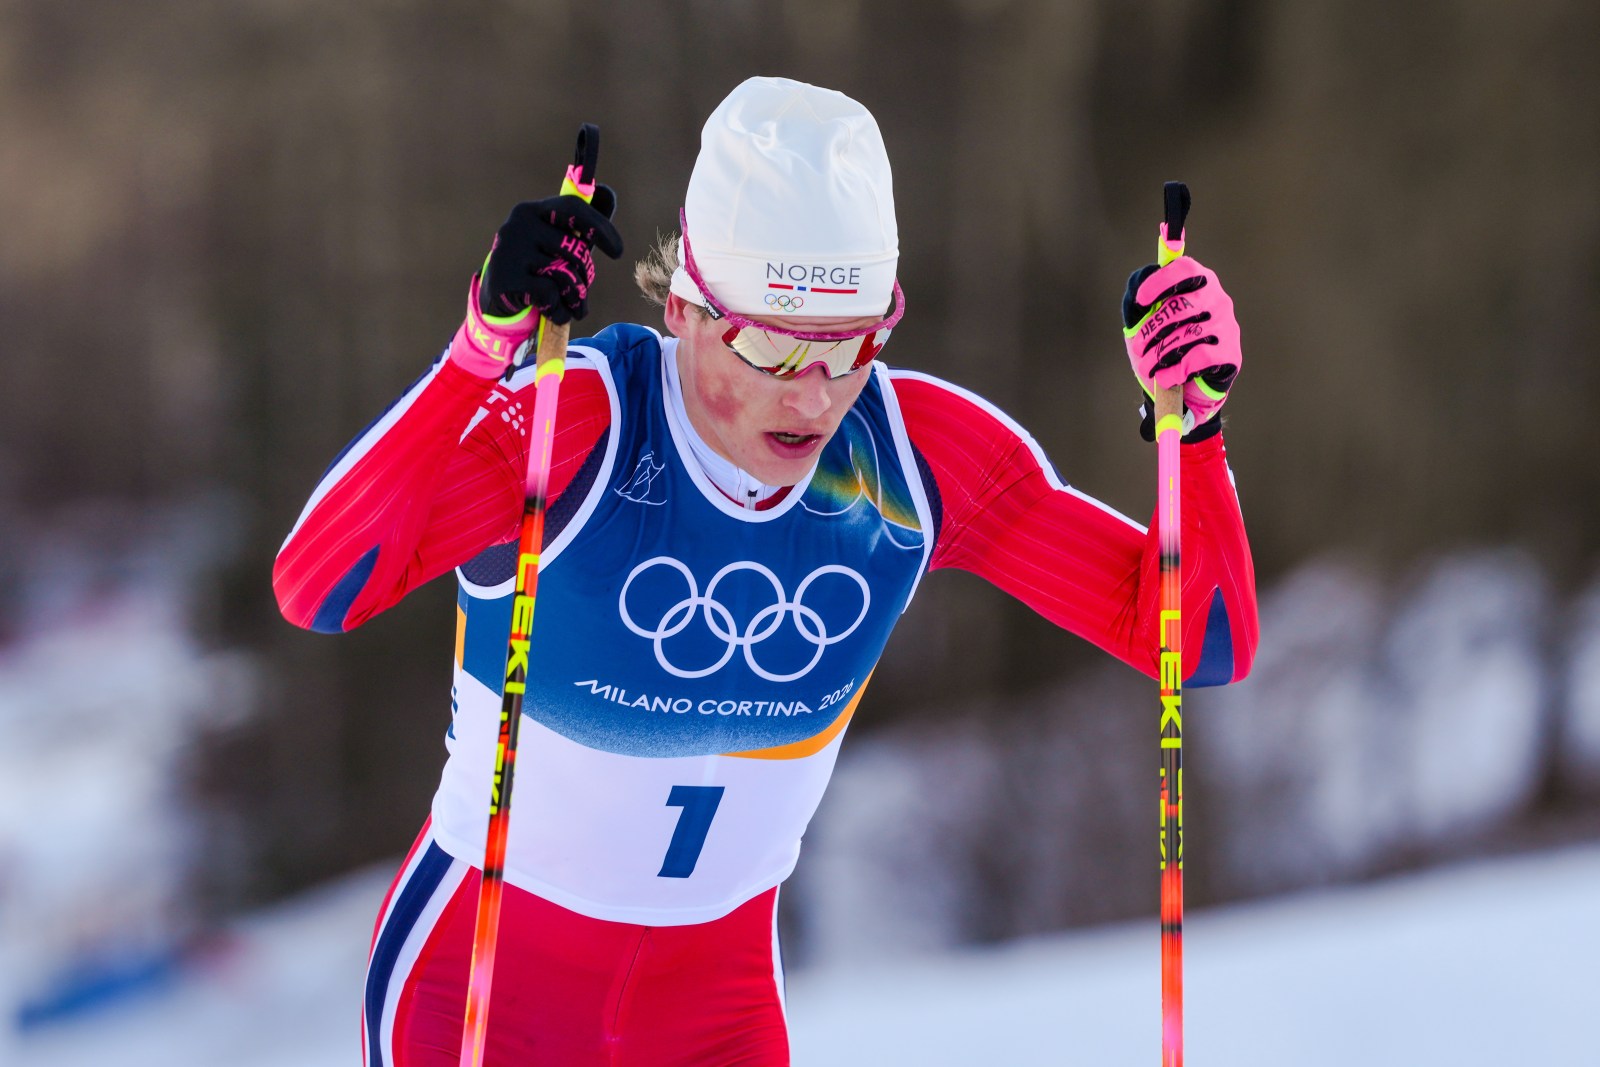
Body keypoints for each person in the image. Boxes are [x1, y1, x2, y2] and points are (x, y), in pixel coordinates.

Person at [274, 76, 1258, 1067]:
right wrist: (479, 348)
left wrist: (1196, 428)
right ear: (689, 306)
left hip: (715, 1012)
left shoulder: (910, 466)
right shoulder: (577, 433)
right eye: (774, 345)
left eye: (851, 344)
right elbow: (318, 586)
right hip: (482, 995)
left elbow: (1198, 643)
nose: (817, 392)